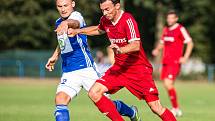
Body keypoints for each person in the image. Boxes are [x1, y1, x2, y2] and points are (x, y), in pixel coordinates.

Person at [68, 0, 177, 121]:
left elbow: (135, 45)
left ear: (117, 6)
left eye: (107, 9)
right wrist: (78, 31)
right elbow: (99, 29)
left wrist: (120, 50)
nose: (104, 13)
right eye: (102, 10)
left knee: (155, 107)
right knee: (94, 92)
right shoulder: (106, 20)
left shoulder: (127, 20)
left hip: (138, 69)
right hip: (119, 68)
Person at [45, 0, 142, 121]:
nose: (63, 9)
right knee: (60, 99)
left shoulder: (76, 16)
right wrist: (55, 56)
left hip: (86, 69)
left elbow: (74, 23)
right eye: (60, 6)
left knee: (106, 104)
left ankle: (131, 112)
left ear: (73, 4)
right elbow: (63, 42)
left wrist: (67, 23)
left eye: (66, 5)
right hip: (69, 71)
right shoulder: (59, 22)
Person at [152, 10, 194, 117]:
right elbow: (162, 43)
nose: (170, 20)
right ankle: (176, 108)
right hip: (165, 62)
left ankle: (176, 109)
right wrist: (157, 50)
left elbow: (190, 43)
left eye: (172, 18)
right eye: (168, 18)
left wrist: (185, 57)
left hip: (174, 62)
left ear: (176, 19)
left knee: (168, 83)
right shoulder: (165, 30)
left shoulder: (180, 29)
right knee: (167, 84)